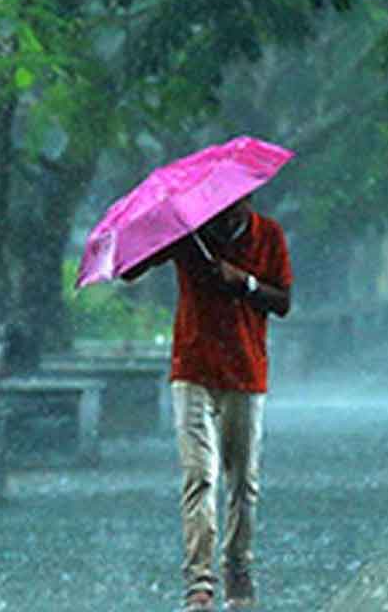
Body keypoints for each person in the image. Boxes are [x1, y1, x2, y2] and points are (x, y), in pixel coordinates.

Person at [123, 194, 292, 612]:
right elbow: (131, 271)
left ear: (249, 199)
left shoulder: (267, 235)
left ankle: (238, 566)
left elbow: (283, 302)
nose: (225, 210)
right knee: (199, 476)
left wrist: (245, 282)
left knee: (243, 481)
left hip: (246, 372)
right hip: (193, 369)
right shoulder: (189, 235)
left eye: (234, 203)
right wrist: (159, 233)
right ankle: (199, 582)